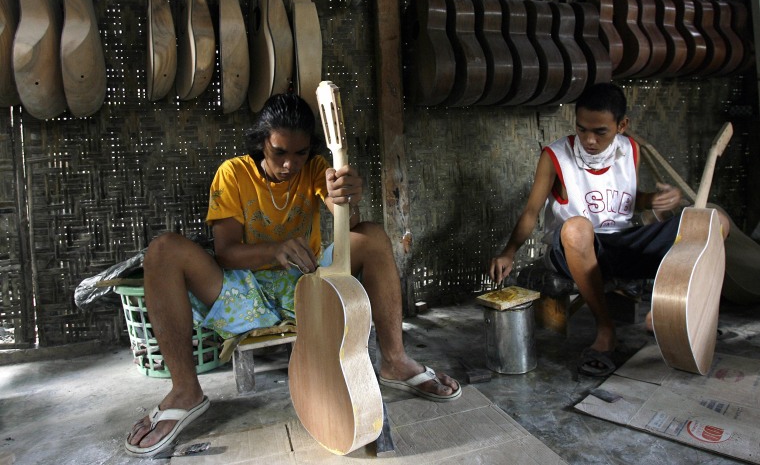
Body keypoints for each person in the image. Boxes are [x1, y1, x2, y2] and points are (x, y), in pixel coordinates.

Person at [125, 93, 460, 458]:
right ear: (261, 143)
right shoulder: (234, 173)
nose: (290, 164)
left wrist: (345, 195)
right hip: (244, 289)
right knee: (162, 250)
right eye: (280, 152)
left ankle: (394, 361)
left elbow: (341, 210)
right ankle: (186, 390)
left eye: (299, 153)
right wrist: (273, 250)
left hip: (308, 282)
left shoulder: (316, 169)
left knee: (373, 235)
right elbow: (225, 252)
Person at [488, 83, 729, 377]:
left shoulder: (630, 149)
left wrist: (652, 200)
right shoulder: (555, 157)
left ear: (622, 125)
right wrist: (509, 252)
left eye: (600, 131)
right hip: (576, 249)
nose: (589, 139)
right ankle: (605, 330)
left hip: (623, 242)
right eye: (582, 129)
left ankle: (677, 313)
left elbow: (626, 200)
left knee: (714, 222)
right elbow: (531, 212)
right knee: (576, 229)